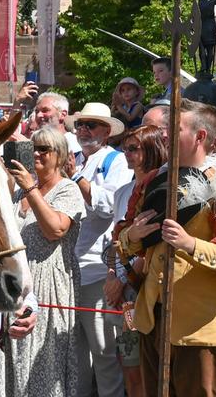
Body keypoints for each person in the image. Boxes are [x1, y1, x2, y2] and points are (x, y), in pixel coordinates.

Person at [118, 99, 216, 395]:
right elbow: (121, 240)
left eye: (174, 129)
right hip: (152, 326)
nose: (163, 136)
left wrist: (190, 244)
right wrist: (133, 236)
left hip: (200, 335)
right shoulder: (153, 182)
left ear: (199, 136)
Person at [0, 127, 85, 395]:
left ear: (61, 155)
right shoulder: (19, 192)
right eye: (33, 148)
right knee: (8, 358)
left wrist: (31, 187)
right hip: (15, 279)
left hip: (49, 283)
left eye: (44, 149)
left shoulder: (68, 189)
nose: (36, 153)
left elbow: (55, 230)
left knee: (42, 362)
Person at [65, 103, 131, 396]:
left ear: (106, 131)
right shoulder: (76, 158)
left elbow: (107, 207)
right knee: (76, 353)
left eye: (90, 125)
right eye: (80, 125)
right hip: (70, 267)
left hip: (96, 269)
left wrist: (77, 178)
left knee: (104, 351)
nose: (83, 130)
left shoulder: (115, 160)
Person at [104, 125, 167, 397]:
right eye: (124, 148)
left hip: (147, 291)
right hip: (126, 296)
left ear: (152, 149)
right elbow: (116, 242)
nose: (126, 154)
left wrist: (121, 279)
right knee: (129, 365)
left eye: (133, 148)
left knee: (150, 370)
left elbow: (149, 245)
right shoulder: (122, 192)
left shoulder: (160, 188)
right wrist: (111, 275)